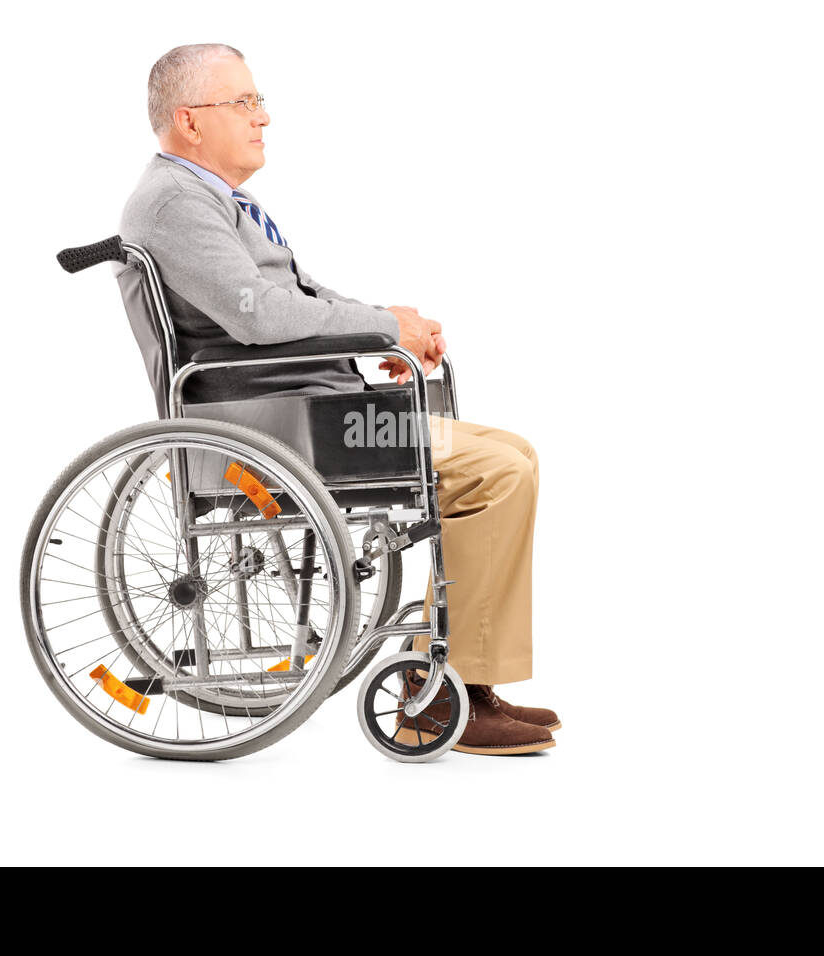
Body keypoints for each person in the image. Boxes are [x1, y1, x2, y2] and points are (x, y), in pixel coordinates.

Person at [118, 43, 560, 755]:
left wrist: (387, 327)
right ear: (189, 120)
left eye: (258, 102)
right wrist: (385, 330)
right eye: (246, 102)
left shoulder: (215, 198)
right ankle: (450, 693)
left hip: (306, 409)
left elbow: (299, 299)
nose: (263, 118)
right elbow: (259, 316)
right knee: (497, 470)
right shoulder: (174, 202)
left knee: (514, 453)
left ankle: (460, 680)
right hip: (276, 428)